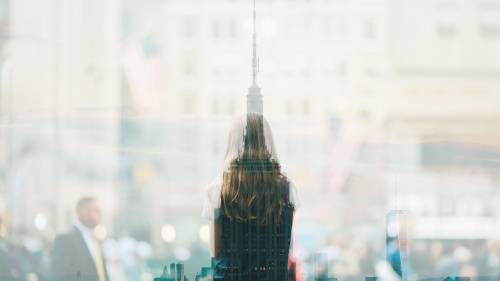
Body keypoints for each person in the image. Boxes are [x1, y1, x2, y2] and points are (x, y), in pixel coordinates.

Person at [202, 113, 300, 281]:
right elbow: (285, 245)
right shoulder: (286, 188)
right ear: (267, 142)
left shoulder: (219, 189)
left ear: (233, 142)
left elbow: (215, 251)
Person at [51, 197, 108, 281]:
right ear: (84, 212)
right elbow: (59, 276)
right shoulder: (66, 239)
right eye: (96, 210)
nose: (101, 214)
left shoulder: (94, 239)